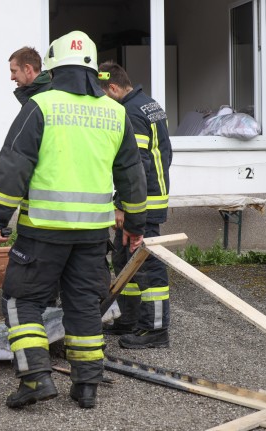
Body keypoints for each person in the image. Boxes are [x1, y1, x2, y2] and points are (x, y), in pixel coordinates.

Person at [0, 31, 147, 409]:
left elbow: (14, 164)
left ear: (53, 66)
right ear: (94, 69)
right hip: (92, 234)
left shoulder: (41, 106)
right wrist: (136, 226)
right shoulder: (116, 111)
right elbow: (131, 175)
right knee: (84, 306)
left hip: (43, 231)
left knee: (21, 301)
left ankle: (35, 379)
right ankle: (86, 386)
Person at [98, 61, 173, 349]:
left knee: (147, 266)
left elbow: (136, 164)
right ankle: (128, 319)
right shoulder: (149, 104)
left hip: (142, 202)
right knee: (124, 260)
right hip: (150, 197)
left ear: (113, 88)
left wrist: (123, 206)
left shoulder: (129, 112)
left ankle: (154, 330)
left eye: (104, 96)